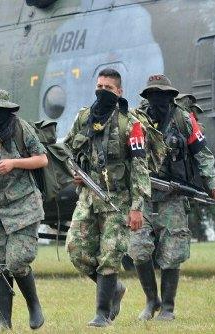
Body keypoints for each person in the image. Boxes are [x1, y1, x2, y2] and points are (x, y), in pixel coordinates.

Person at [128, 74, 215, 321]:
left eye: (163, 95)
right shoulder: (135, 121)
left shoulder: (184, 121)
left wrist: (214, 189)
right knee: (139, 250)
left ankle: (168, 308)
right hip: (142, 196)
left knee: (173, 252)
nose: (158, 100)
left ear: (172, 96)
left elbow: (203, 156)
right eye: (153, 95)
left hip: (174, 197)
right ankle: (152, 301)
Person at [63, 68, 151, 327]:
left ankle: (102, 314)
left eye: (108, 88)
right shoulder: (84, 118)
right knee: (76, 250)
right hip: (89, 197)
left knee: (110, 256)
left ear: (119, 92)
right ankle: (115, 290)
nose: (102, 91)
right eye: (99, 86)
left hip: (118, 201)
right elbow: (66, 150)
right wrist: (75, 172)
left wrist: (137, 208)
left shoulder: (131, 124)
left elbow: (140, 168)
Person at [0, 89, 48, 331]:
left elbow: (42, 159)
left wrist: (14, 163)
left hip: (23, 206)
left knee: (18, 261)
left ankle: (34, 306)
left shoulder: (20, 128)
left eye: (1, 111)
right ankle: (3, 322)